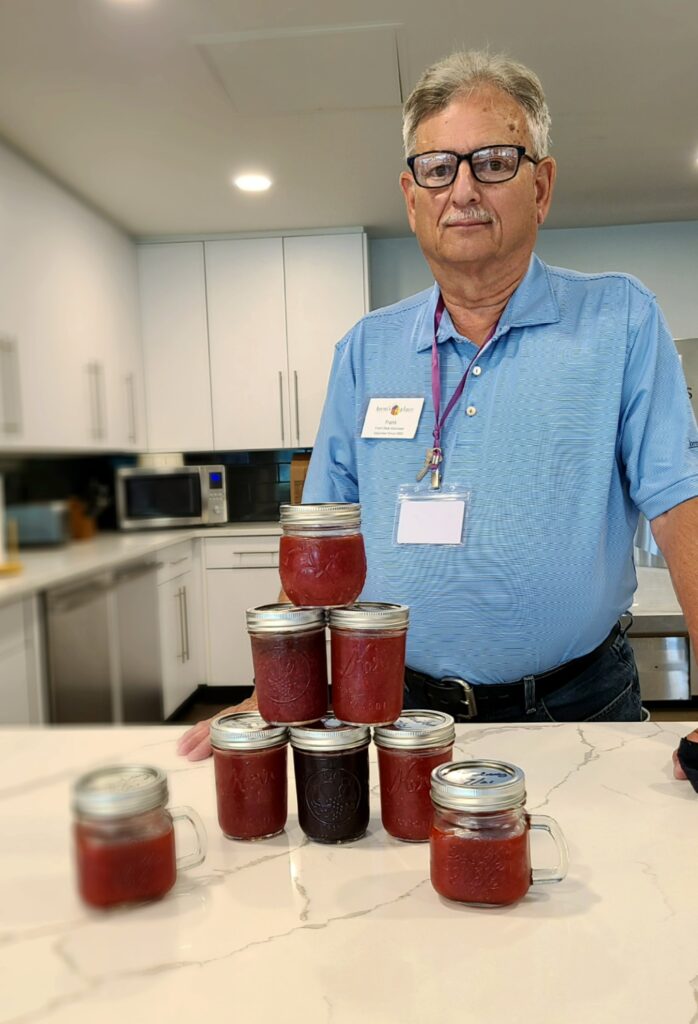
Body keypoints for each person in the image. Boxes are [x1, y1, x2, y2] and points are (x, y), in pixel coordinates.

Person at [178, 50, 698, 763]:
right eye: (438, 167)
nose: (463, 189)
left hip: (582, 703)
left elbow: (679, 504)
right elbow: (323, 544)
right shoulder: (367, 349)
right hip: (397, 708)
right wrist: (277, 691)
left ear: (541, 187)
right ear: (411, 195)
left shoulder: (620, 320)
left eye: (493, 161)